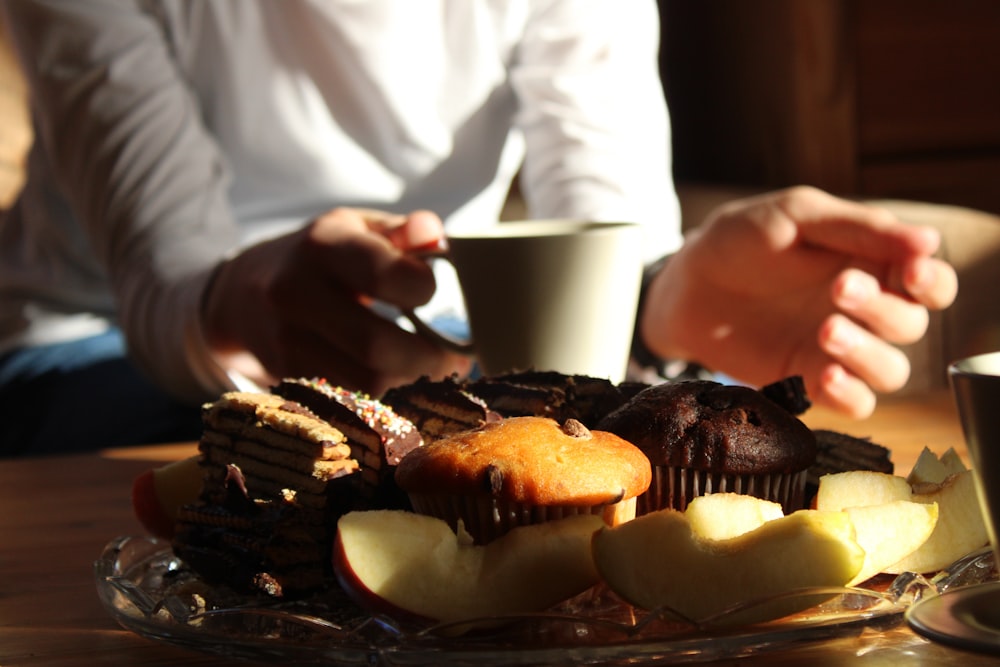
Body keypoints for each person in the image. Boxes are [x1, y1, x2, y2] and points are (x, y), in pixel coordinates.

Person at [0, 1, 957, 455]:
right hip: (98, 354)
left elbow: (606, 216)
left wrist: (658, 305)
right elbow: (165, 279)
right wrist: (245, 304)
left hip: (443, 352)